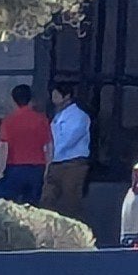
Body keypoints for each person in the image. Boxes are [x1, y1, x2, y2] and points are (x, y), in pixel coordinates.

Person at [0, 83, 53, 205]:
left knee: (6, 206)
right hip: (37, 168)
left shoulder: (8, 121)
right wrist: (47, 169)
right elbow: (48, 147)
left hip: (14, 168)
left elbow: (3, 147)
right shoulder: (42, 120)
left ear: (13, 100)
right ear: (30, 99)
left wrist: (1, 170)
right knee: (32, 207)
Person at [45, 89, 94, 224]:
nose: (53, 98)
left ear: (67, 96)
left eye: (57, 95)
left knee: (70, 202)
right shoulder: (57, 115)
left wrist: (51, 156)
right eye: (53, 94)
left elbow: (68, 140)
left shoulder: (79, 116)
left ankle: (76, 236)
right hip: (54, 163)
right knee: (47, 200)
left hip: (73, 164)